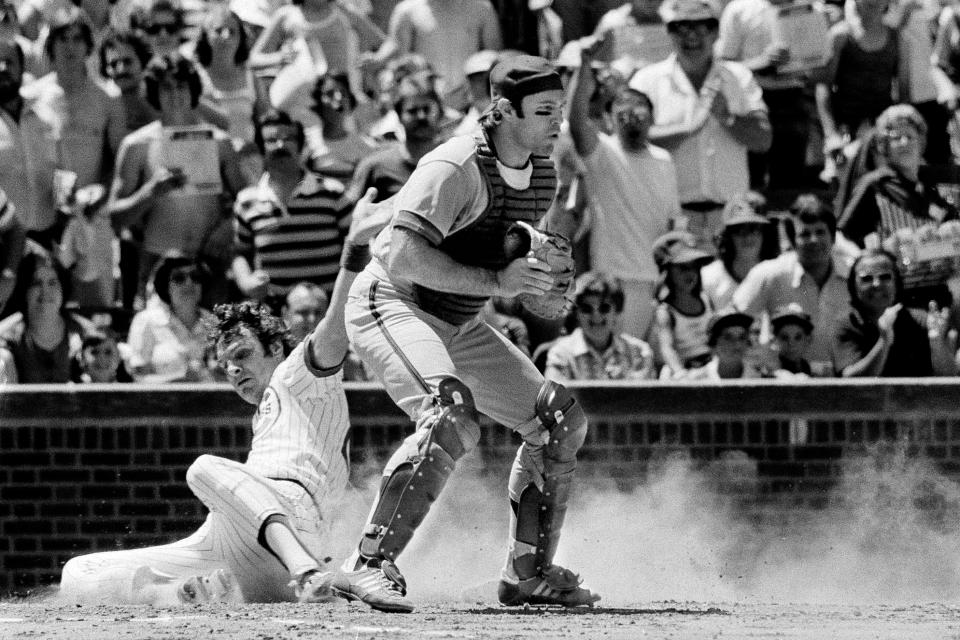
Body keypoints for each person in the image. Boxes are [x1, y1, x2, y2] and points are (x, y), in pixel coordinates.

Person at [337, 55, 599, 613]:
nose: (558, 122)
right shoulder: (456, 164)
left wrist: (548, 287)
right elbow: (404, 257)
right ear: (503, 111)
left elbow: (528, 294)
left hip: (459, 318)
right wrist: (501, 282)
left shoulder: (543, 172)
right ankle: (368, 562)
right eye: (545, 111)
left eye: (559, 109)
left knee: (559, 422)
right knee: (450, 415)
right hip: (394, 302)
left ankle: (527, 574)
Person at [58, 186, 384, 605]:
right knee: (78, 573)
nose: (234, 369)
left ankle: (307, 574)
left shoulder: (300, 371)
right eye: (226, 362)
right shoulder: (267, 410)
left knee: (203, 468)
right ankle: (173, 595)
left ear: (277, 349)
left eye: (244, 354)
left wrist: (354, 248)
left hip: (299, 525)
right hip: (236, 540)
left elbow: (337, 321)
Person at [628, 0, 771, 251]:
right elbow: (632, 140)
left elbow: (763, 139)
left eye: (701, 27)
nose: (691, 36)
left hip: (731, 218)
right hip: (671, 219)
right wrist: (689, 129)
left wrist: (727, 117)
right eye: (681, 28)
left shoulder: (738, 76)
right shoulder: (647, 80)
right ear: (669, 33)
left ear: (716, 32)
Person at [566, 32, 678, 341]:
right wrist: (584, 66)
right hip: (613, 280)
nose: (632, 118)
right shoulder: (603, 152)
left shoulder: (664, 160)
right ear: (611, 119)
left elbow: (672, 221)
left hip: (656, 281)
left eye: (640, 111)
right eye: (623, 111)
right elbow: (576, 123)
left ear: (652, 118)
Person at [107, 53, 244, 302]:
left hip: (209, 263)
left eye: (181, 85)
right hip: (158, 261)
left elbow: (247, 202)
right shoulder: (136, 145)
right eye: (166, 87)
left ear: (192, 90)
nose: (175, 94)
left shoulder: (220, 142)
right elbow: (115, 218)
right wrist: (150, 192)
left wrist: (227, 227)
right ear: (154, 92)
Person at [838, 104, 958, 308]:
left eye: (910, 136)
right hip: (897, 296)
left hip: (939, 290)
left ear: (921, 142)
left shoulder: (932, 187)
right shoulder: (875, 185)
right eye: (895, 138)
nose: (904, 143)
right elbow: (842, 235)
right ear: (884, 146)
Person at [233, 108, 348, 304]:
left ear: (300, 145)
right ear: (261, 149)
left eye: (288, 139)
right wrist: (246, 281)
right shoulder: (246, 201)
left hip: (327, 313)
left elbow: (356, 246)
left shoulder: (332, 193)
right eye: (271, 140)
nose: (280, 145)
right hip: (275, 320)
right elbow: (239, 254)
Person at [733, 193, 853, 374]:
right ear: (792, 240)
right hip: (786, 380)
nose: (814, 240)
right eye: (805, 234)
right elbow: (732, 321)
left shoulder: (854, 274)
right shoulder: (770, 273)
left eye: (820, 232)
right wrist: (762, 362)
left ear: (833, 236)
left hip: (846, 379)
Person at [715, 0, 814, 193]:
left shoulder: (808, 9)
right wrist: (762, 62)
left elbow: (821, 65)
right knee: (752, 186)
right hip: (750, 103)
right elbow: (721, 66)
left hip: (793, 101)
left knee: (789, 187)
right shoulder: (740, 9)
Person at [834, 249, 957, 376]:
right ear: (853, 285)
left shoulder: (920, 319)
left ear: (896, 282)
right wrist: (884, 340)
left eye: (885, 277)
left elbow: (949, 377)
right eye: (867, 279)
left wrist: (936, 342)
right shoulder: (846, 324)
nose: (876, 284)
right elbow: (850, 382)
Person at [341, 71, 446, 206]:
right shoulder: (375, 167)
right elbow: (349, 215)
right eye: (412, 111)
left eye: (427, 109)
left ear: (440, 112)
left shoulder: (457, 160)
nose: (421, 116)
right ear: (399, 116)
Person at [0, 243, 94, 384]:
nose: (45, 291)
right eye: (36, 283)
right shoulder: (5, 336)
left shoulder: (86, 332)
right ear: (24, 290)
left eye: (52, 283)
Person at [0, 39, 58, 246]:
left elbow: (62, 172)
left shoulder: (46, 115)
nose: (3, 68)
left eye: (9, 61)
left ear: (23, 67)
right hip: (5, 247)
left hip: (50, 239)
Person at [545, 272, 656, 380]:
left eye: (604, 308)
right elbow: (554, 397)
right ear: (576, 314)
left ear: (616, 311)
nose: (596, 316)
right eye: (586, 309)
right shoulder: (561, 353)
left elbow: (648, 397)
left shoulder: (639, 352)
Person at [125, 253, 217, 383]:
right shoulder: (146, 321)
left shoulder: (214, 323)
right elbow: (138, 379)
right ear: (165, 285)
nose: (189, 283)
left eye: (195, 277)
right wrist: (180, 379)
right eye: (179, 278)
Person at [651, 230, 715, 377]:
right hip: (684, 370)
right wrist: (680, 373)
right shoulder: (666, 312)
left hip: (710, 369)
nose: (690, 273)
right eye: (683, 268)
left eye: (694, 267)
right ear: (667, 272)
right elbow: (667, 348)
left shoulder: (706, 299)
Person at [194, 4, 258, 147]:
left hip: (246, 158)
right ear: (206, 36)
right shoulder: (195, 77)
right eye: (218, 30)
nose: (225, 37)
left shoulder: (251, 77)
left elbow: (266, 121)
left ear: (241, 38)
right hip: (207, 157)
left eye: (232, 31)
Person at [701, 195, 779, 310]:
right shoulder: (708, 277)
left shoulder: (777, 275)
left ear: (765, 233)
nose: (747, 236)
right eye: (738, 230)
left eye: (753, 228)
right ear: (727, 236)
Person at [99, 30, 158, 135]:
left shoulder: (161, 100)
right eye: (113, 64)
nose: (121, 69)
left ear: (142, 61)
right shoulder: (102, 111)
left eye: (127, 61)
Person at [684, 307, 761, 379]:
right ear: (714, 343)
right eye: (728, 337)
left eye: (742, 337)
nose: (737, 344)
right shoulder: (695, 380)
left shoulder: (760, 378)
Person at [769, 302, 818, 377]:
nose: (791, 344)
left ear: (808, 339)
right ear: (775, 339)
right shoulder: (770, 373)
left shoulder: (811, 371)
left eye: (798, 337)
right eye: (784, 338)